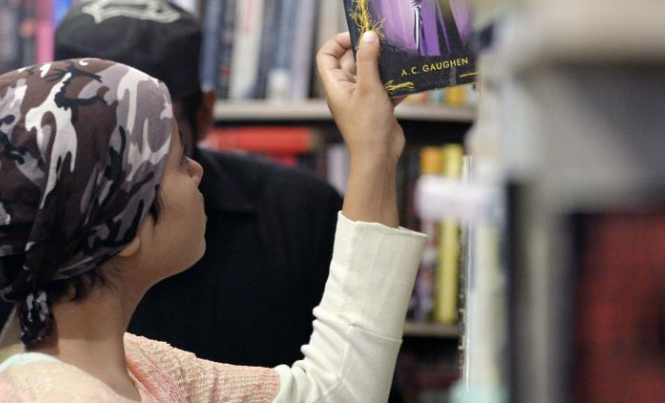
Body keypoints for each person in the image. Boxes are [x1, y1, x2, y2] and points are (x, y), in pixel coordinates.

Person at [0, 31, 424, 402]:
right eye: (179, 159)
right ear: (120, 227)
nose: (198, 169)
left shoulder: (138, 363)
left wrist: (375, 151)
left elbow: (331, 394)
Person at [0, 0, 344, 369]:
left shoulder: (301, 214)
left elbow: (338, 386)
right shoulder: (14, 237)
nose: (125, 160)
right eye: (96, 139)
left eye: (154, 134)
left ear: (205, 113)